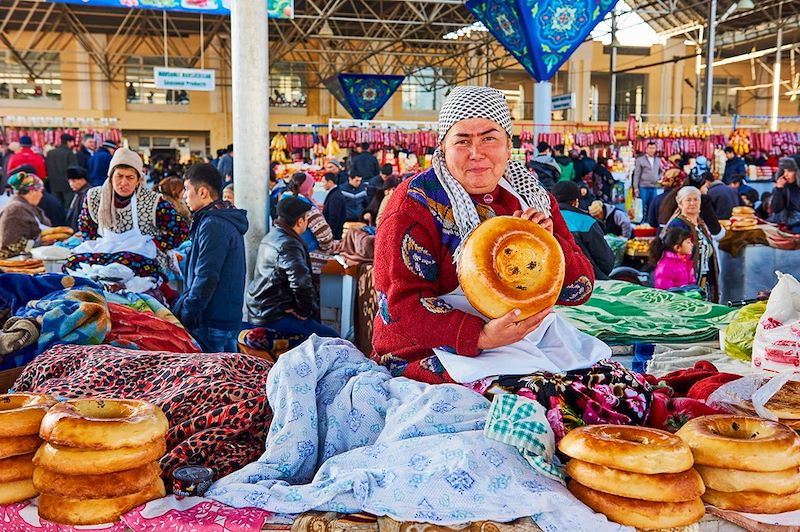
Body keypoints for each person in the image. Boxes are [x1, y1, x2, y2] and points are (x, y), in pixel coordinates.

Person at [371, 87, 596, 384]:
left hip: (526, 342)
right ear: (442, 148)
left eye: (489, 138)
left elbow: (579, 290)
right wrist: (479, 336)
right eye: (462, 141)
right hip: (429, 350)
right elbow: (400, 306)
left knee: (611, 390)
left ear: (508, 145)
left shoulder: (532, 197)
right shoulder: (413, 204)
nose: (476, 153)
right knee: (537, 402)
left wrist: (551, 247)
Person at [67, 148, 190, 281]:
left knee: (125, 263)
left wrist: (157, 245)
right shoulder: (95, 197)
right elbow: (86, 226)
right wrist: (94, 243)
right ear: (110, 176)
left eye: (130, 177)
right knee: (72, 262)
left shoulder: (152, 201)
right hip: (106, 250)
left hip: (140, 254)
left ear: (138, 180)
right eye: (119, 176)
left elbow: (180, 230)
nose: (123, 183)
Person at [174, 163, 248, 353]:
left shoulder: (213, 224)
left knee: (214, 379)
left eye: (188, 189)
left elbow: (207, 275)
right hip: (223, 318)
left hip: (212, 321)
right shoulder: (220, 218)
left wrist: (189, 313)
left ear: (203, 192)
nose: (184, 195)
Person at [246, 197, 339, 338]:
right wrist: (303, 312)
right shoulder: (288, 244)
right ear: (300, 221)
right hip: (272, 315)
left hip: (263, 309)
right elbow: (301, 282)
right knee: (332, 338)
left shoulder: (274, 235)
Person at [664, 186, 719, 302]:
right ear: (680, 204)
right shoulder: (678, 225)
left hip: (703, 279)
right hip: (685, 282)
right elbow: (673, 254)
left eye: (696, 199)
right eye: (688, 200)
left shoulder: (700, 224)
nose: (692, 203)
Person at [553, 181, 615, 280]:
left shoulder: (544, 219)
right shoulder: (587, 222)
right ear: (575, 202)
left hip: (552, 281)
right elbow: (606, 262)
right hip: (586, 282)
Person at [0, 171, 50, 259]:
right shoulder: (14, 210)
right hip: (13, 263)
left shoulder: (31, 208)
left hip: (29, 259)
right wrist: (40, 242)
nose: (41, 195)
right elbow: (9, 243)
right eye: (40, 191)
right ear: (31, 191)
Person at [281, 172, 333, 253]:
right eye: (312, 186)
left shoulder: (283, 201)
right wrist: (327, 249)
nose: (313, 190)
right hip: (308, 251)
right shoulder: (306, 207)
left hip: (289, 250)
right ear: (307, 189)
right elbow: (325, 236)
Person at [647, 157, 684, 229]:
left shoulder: (657, 199)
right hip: (681, 235)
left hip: (661, 234)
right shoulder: (684, 198)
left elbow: (652, 222)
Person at [45, 133, 78, 209]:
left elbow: (46, 168)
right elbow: (74, 169)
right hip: (67, 185)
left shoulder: (50, 153)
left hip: (53, 184)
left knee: (56, 207)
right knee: (68, 207)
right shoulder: (70, 153)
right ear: (68, 142)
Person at [769, 157, 800, 233]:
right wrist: (778, 189)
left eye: (789, 171)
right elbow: (776, 209)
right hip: (792, 226)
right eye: (784, 171)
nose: (786, 174)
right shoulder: (783, 188)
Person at [632, 141, 662, 214]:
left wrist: (658, 177)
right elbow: (637, 174)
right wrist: (635, 187)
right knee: (641, 206)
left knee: (652, 206)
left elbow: (661, 171)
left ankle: (650, 222)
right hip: (643, 186)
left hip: (654, 186)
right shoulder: (640, 160)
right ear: (646, 149)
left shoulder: (658, 160)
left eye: (653, 148)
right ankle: (641, 222)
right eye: (650, 148)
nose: (652, 150)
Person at [65, 166, 91, 230]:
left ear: (83, 180)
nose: (71, 184)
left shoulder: (87, 194)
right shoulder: (78, 192)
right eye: (69, 181)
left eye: (73, 181)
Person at [322, 172, 346, 239]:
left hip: (335, 233)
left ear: (329, 182)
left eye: (324, 182)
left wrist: (330, 234)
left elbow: (334, 217)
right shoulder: (335, 194)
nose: (322, 185)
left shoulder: (335, 196)